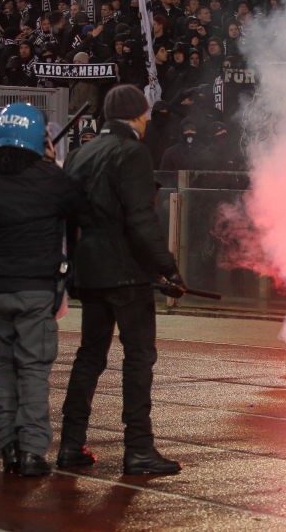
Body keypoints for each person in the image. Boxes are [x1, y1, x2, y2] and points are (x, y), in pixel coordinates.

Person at [58, 84, 186, 475]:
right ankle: (138, 449)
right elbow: (139, 219)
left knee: (89, 357)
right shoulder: (133, 153)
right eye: (145, 114)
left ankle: (69, 445)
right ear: (136, 115)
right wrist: (167, 266)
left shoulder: (80, 153)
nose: (148, 120)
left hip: (91, 271)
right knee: (139, 358)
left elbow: (68, 217)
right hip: (127, 273)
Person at [0, 102, 85, 476]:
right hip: (36, 290)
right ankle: (32, 451)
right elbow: (81, 209)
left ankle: (9, 448)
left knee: (2, 368)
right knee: (32, 371)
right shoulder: (52, 180)